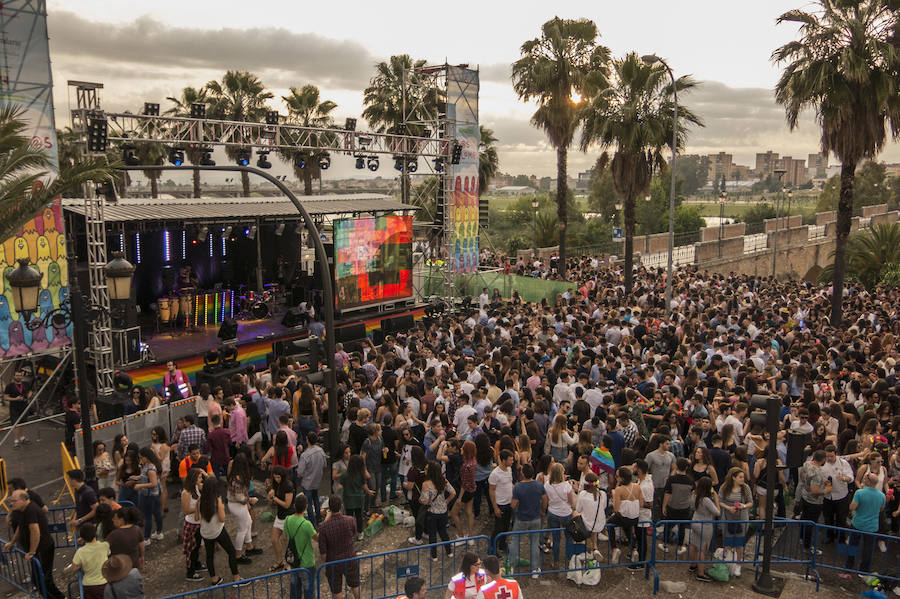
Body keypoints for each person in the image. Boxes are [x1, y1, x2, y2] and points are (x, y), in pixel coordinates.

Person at [3, 490, 64, 598]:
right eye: (10, 501)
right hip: (38, 550)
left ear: (24, 500)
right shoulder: (22, 510)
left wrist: (32, 552)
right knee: (39, 579)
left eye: (14, 501)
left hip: (42, 549)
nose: (11, 504)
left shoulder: (31, 510)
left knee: (43, 580)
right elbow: (20, 527)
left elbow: (35, 532)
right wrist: (12, 542)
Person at [197, 476, 242, 586]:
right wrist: (221, 507)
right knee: (231, 552)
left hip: (205, 532)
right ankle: (236, 578)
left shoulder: (200, 500)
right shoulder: (217, 500)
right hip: (218, 530)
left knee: (209, 555)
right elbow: (222, 518)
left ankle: (214, 579)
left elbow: (196, 517)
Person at [509, 463, 547, 577]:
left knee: (515, 541)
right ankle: (535, 569)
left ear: (522, 474)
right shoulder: (539, 485)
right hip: (535, 518)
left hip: (521, 518)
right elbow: (545, 499)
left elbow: (513, 504)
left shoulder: (518, 487)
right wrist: (543, 511)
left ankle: (510, 566)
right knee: (534, 543)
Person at [319, 495, 360, 599]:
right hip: (350, 557)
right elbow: (354, 533)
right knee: (355, 584)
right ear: (341, 506)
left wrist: (325, 563)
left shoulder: (324, 527)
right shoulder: (350, 520)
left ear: (329, 508)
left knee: (337, 590)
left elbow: (323, 551)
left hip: (333, 561)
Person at [844, 473, 885, 576]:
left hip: (858, 523)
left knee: (853, 545)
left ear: (867, 481)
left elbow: (852, 507)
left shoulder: (859, 493)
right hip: (872, 526)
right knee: (868, 549)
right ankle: (864, 570)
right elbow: (881, 509)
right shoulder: (882, 495)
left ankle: (849, 566)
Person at [226, 453, 261, 564]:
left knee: (248, 522)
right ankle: (238, 554)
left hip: (237, 503)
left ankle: (249, 546)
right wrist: (250, 500)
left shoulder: (235, 475)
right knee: (242, 529)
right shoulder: (237, 479)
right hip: (237, 504)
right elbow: (240, 497)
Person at [718, 466, 753, 576]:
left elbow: (750, 502)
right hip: (728, 518)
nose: (743, 479)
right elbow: (720, 501)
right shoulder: (724, 487)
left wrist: (743, 506)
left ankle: (738, 565)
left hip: (742, 519)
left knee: (739, 543)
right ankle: (724, 563)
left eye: (743, 477)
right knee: (727, 541)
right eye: (740, 477)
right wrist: (729, 508)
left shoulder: (746, 488)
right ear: (733, 478)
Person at [420, 460, 456, 561]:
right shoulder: (443, 480)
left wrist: (420, 500)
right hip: (443, 511)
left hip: (432, 512)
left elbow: (425, 501)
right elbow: (453, 492)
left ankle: (434, 556)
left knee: (432, 534)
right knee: (443, 532)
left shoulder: (426, 484)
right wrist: (446, 501)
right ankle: (449, 552)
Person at [284, 495, 318, 599]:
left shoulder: (288, 519)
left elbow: (285, 538)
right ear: (306, 506)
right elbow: (317, 538)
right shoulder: (306, 524)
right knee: (309, 591)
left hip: (293, 560)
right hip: (307, 562)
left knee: (295, 589)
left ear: (294, 506)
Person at [64, 523, 110, 599]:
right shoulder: (105, 545)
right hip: (104, 583)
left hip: (89, 585)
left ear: (82, 537)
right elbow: (108, 553)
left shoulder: (81, 551)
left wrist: (81, 564)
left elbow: (74, 568)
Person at [543, 462, 575, 570]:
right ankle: (569, 560)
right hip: (566, 513)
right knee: (569, 538)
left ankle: (556, 562)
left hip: (552, 513)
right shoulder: (567, 486)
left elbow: (546, 500)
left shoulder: (547, 485)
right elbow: (571, 501)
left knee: (556, 540)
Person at [608, 467, 642, 565]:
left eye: (617, 476)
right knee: (627, 527)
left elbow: (616, 508)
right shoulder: (637, 487)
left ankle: (614, 548)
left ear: (622, 478)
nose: (615, 478)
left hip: (624, 517)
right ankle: (634, 549)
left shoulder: (619, 490)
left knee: (610, 524)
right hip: (635, 517)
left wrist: (614, 494)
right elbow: (641, 503)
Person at [688, 477, 720, 582]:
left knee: (693, 544)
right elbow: (717, 512)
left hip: (695, 521)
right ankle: (700, 573)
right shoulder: (706, 500)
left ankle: (692, 565)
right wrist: (716, 499)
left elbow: (692, 507)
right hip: (705, 525)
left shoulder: (694, 494)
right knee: (702, 548)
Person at [660, 458, 694, 556]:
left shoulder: (672, 479)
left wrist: (664, 506)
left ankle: (665, 544)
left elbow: (667, 493)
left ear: (676, 466)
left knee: (668, 526)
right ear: (687, 467)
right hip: (685, 507)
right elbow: (692, 492)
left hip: (672, 506)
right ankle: (679, 547)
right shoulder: (690, 480)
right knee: (682, 528)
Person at [797, 450, 827, 553]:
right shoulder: (817, 473)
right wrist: (826, 490)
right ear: (823, 459)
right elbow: (815, 490)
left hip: (805, 495)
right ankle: (807, 546)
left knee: (804, 517)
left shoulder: (807, 463)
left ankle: (801, 537)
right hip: (814, 501)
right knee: (810, 523)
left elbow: (801, 476)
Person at [574, 472, 607, 563]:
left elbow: (578, 509)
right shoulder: (602, 494)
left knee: (575, 514)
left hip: (587, 524)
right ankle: (595, 548)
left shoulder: (583, 494)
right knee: (593, 528)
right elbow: (603, 507)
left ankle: (588, 550)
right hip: (599, 524)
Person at [268, 465, 296, 572]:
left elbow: (287, 504)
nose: (277, 479)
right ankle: (279, 561)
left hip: (288, 517)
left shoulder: (288, 485)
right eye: (275, 477)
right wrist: (270, 497)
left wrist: (274, 498)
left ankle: (290, 563)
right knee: (274, 540)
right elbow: (271, 503)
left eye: (278, 477)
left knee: (287, 541)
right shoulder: (275, 485)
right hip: (279, 516)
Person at [181, 467, 207, 581]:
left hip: (198, 522)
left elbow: (209, 486)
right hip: (191, 524)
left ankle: (196, 564)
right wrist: (199, 507)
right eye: (199, 477)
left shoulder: (196, 487)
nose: (201, 479)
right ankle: (190, 572)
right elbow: (185, 510)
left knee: (197, 547)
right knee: (192, 549)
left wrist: (205, 475)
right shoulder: (186, 493)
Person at [133, 448, 163, 543]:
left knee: (148, 516)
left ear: (147, 457)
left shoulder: (150, 469)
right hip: (153, 494)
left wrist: (139, 485)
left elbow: (153, 483)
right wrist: (137, 478)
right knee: (156, 513)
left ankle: (146, 538)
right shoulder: (147, 466)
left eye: (141, 457)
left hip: (150, 496)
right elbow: (145, 477)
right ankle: (158, 532)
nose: (140, 459)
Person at [339, 455, 374, 538]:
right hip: (359, 498)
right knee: (359, 516)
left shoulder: (344, 475)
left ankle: (350, 533)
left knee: (349, 517)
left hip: (348, 499)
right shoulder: (361, 474)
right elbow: (364, 485)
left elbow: (340, 486)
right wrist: (369, 491)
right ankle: (360, 533)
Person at [489, 449, 515, 553]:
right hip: (500, 504)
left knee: (506, 527)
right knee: (498, 528)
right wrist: (495, 507)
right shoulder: (495, 474)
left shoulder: (509, 469)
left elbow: (510, 484)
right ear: (504, 461)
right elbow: (491, 490)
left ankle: (502, 545)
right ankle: (492, 548)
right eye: (510, 460)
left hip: (509, 503)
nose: (512, 462)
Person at [105, 508, 144, 573]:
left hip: (119, 568)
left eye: (115, 518)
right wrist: (141, 557)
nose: (112, 520)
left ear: (121, 520)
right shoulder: (137, 529)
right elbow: (142, 546)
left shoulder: (114, 534)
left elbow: (104, 548)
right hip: (134, 566)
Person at [4, 368, 33, 448]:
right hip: (14, 407)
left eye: (20, 375)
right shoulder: (10, 386)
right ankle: (16, 441)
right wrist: (15, 399)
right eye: (17, 375)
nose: (18, 377)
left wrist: (28, 396)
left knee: (23, 423)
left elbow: (30, 391)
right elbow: (5, 397)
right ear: (14, 376)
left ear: (22, 376)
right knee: (15, 424)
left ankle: (22, 438)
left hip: (24, 406)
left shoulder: (26, 384)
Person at [206, 414, 231, 479]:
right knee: (228, 474)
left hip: (215, 458)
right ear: (220, 421)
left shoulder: (211, 435)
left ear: (212, 423)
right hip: (226, 456)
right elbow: (230, 443)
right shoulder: (226, 432)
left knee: (215, 476)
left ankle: (216, 487)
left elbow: (208, 448)